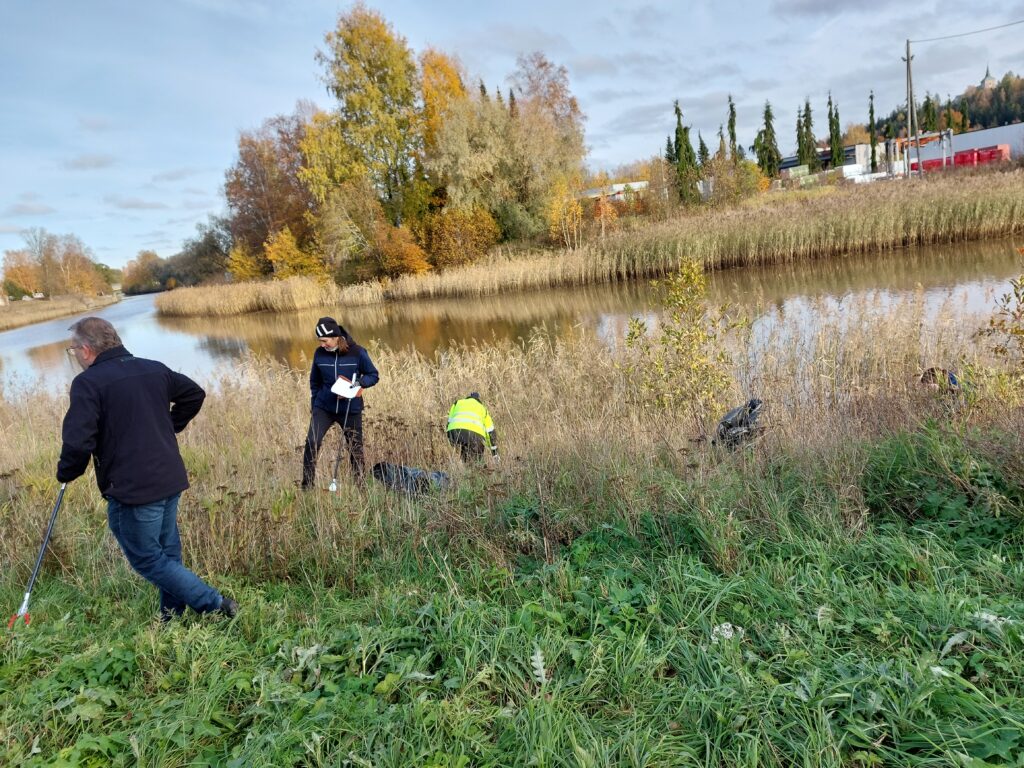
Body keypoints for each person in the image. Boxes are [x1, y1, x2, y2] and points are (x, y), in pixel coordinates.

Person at [56, 317, 237, 621]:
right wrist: (168, 426)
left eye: (73, 350)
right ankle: (172, 616)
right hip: (168, 477)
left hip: (133, 488)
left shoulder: (88, 383)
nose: (74, 356)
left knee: (148, 559)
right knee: (167, 554)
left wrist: (66, 472)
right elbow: (194, 394)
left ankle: (213, 603)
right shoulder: (153, 368)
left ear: (86, 350)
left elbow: (77, 442)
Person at [301, 317, 379, 489]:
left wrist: (358, 383)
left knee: (355, 449)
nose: (322, 344)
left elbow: (373, 375)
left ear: (335, 336)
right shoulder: (319, 354)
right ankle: (307, 487)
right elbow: (314, 382)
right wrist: (315, 405)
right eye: (320, 341)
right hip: (324, 408)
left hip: (350, 408)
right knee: (312, 442)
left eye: (324, 341)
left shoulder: (357, 352)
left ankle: (361, 486)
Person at [446, 392, 499, 463]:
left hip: (453, 432)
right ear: (479, 401)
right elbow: (490, 432)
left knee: (461, 452)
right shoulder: (483, 408)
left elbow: (449, 422)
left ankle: (459, 467)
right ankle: (474, 469)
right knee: (476, 460)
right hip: (474, 435)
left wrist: (450, 437)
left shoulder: (457, 403)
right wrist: (494, 453)